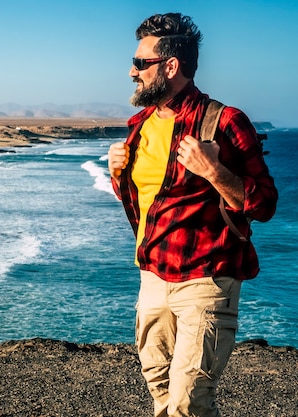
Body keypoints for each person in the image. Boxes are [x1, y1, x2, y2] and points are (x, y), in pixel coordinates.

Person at [107, 12, 278, 417]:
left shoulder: (224, 122)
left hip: (205, 279)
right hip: (152, 276)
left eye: (141, 63)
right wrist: (117, 176)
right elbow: (146, 203)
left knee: (189, 402)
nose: (132, 71)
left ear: (171, 66)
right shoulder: (140, 124)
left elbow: (266, 204)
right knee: (161, 391)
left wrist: (215, 172)